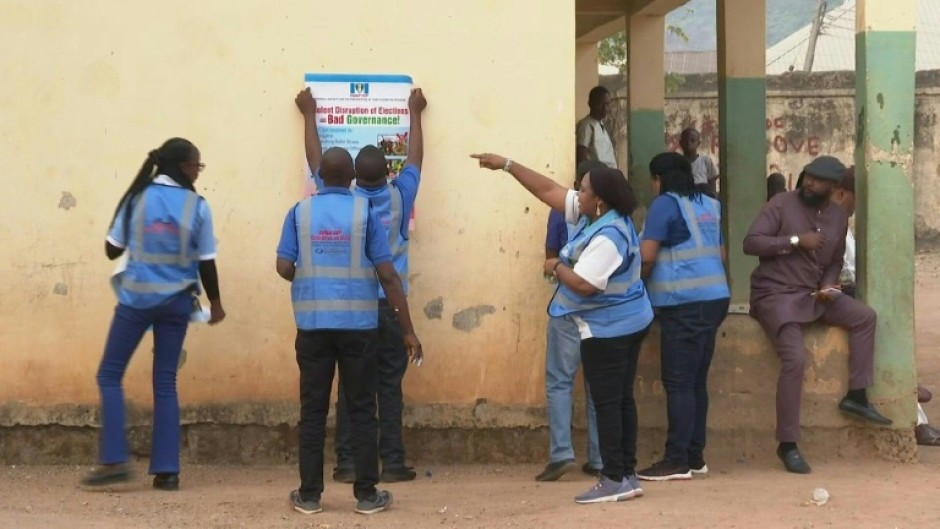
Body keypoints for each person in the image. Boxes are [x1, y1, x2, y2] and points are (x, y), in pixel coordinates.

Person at [471, 152, 653, 504]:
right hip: (627, 321)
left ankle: (614, 477)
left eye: (582, 190)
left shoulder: (608, 236)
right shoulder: (602, 216)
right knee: (621, 400)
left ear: (597, 199)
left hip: (610, 331)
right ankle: (626, 474)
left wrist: (556, 267)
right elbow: (548, 190)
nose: (576, 193)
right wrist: (508, 165)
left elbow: (586, 284)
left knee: (609, 402)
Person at [276, 145, 423, 515]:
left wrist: (304, 273)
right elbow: (387, 275)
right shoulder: (364, 213)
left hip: (312, 326)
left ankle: (309, 495)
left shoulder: (300, 212)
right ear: (350, 178)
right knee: (361, 407)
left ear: (321, 177)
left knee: (312, 410)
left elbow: (282, 265)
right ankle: (367, 495)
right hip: (359, 327)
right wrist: (407, 329)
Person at [295, 87, 427, 484]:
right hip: (390, 307)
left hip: (355, 307)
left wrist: (309, 114)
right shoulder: (401, 196)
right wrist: (414, 112)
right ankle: (394, 461)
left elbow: (317, 161)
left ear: (353, 176)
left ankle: (347, 462)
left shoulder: (347, 201)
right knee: (389, 385)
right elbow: (416, 159)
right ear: (389, 172)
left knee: (352, 389)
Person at [81, 138, 226, 491]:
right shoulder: (198, 206)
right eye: (196, 166)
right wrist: (217, 303)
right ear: (181, 166)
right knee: (164, 381)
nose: (198, 172)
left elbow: (110, 249)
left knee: (110, 375)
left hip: (136, 301)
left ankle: (115, 459)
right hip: (177, 302)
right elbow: (207, 260)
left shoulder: (136, 198)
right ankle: (167, 471)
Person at [744, 155, 891, 475]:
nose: (809, 182)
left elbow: (835, 261)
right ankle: (788, 444)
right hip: (776, 295)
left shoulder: (839, 217)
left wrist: (829, 285)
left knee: (865, 317)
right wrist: (796, 241)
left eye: (817, 180)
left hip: (815, 294)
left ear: (834, 188)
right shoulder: (781, 204)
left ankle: (856, 395)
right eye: (808, 176)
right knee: (795, 359)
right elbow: (751, 243)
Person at [829, 168, 940, 447]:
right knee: (876, 328)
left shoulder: (844, 223)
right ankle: (915, 412)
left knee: (888, 323)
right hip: (830, 297)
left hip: (845, 291)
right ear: (842, 193)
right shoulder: (830, 222)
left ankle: (913, 395)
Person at [637, 152, 730, 481]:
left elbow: (646, 257)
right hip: (715, 299)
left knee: (678, 383)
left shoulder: (664, 204)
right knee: (695, 382)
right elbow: (720, 254)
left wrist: (635, 286)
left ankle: (676, 459)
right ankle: (694, 456)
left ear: (658, 180)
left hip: (684, 303)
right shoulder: (708, 205)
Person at [536, 160, 605, 482]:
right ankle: (599, 457)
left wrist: (556, 270)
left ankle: (562, 453)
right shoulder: (615, 219)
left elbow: (550, 254)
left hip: (567, 307)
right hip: (603, 312)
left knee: (560, 382)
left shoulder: (561, 211)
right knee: (597, 386)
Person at [576, 86, 617, 169]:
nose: (605, 108)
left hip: (607, 174)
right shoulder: (586, 125)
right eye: (600, 103)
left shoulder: (599, 123)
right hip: (597, 176)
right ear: (590, 103)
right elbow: (581, 155)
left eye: (607, 104)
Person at [679, 128, 719, 197]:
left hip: (703, 197)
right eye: (686, 141)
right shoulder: (677, 162)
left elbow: (712, 181)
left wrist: (713, 197)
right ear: (680, 143)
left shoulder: (705, 160)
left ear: (698, 143)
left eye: (692, 141)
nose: (689, 143)